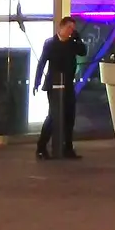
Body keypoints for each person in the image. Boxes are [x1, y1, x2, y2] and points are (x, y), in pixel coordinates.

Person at [34, 16, 87, 161]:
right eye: (69, 27)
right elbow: (42, 62)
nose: (71, 31)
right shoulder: (50, 43)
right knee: (53, 115)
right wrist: (37, 81)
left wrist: (78, 38)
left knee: (70, 116)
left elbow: (83, 52)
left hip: (68, 84)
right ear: (61, 27)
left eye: (73, 29)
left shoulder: (72, 43)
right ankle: (41, 147)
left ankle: (67, 148)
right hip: (54, 84)